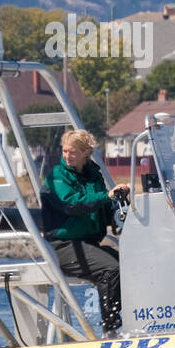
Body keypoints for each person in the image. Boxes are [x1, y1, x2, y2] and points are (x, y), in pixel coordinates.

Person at [43, 128, 129, 337]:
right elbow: (72, 205)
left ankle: (135, 323)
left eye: (72, 152)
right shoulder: (57, 177)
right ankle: (111, 330)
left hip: (87, 245)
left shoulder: (93, 175)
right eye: (65, 151)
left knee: (129, 267)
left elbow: (102, 205)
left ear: (85, 153)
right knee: (111, 269)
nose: (67, 156)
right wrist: (106, 196)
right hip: (62, 247)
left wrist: (119, 200)